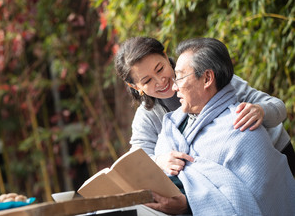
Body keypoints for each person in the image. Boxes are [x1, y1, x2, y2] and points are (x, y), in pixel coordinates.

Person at [149, 37, 295, 215]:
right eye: (146, 80)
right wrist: (159, 160)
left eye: (179, 77)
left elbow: (253, 204)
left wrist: (187, 204)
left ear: (207, 78)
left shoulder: (242, 129)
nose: (173, 86)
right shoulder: (174, 121)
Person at [114, 36, 295, 176]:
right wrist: (159, 161)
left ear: (165, 56)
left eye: (160, 69)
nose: (161, 81)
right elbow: (138, 160)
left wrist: (261, 111)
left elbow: (277, 107)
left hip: (276, 152)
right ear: (135, 87)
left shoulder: (208, 76)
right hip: (231, 172)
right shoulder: (147, 117)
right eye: (146, 81)